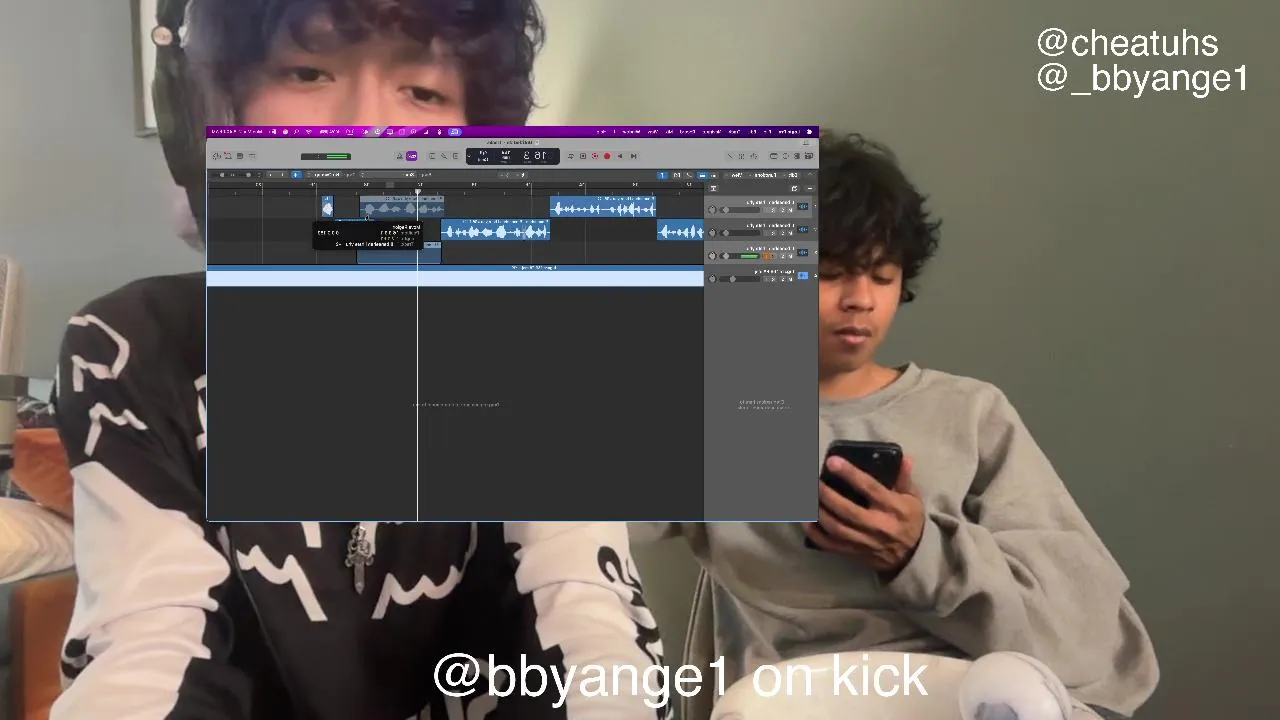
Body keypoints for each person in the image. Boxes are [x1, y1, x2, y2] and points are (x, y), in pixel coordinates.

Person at [51, 2, 667, 718]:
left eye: (424, 92)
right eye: (306, 72)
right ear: (211, 120)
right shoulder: (128, 346)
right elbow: (147, 646)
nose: (367, 128)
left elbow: (588, 620)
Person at [633, 132, 1159, 719]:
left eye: (882, 276)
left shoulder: (971, 413)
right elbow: (574, 529)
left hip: (966, 695)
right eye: (829, 272)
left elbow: (1082, 630)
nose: (860, 299)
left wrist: (918, 552)